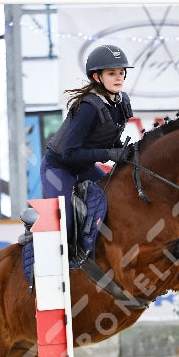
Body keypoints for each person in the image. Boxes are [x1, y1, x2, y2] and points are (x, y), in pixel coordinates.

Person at [40, 43, 133, 239]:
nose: (118, 77)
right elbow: (70, 154)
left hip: (84, 167)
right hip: (58, 168)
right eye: (111, 73)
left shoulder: (121, 102)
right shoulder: (87, 107)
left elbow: (110, 138)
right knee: (64, 223)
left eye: (121, 72)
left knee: (113, 199)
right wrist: (108, 154)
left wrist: (126, 152)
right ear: (97, 77)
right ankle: (38, 242)